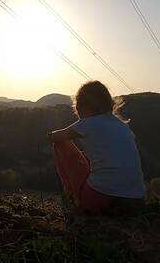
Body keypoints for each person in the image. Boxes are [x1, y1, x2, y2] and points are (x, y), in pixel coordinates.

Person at [48, 81, 145, 214]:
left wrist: (46, 134)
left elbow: (54, 137)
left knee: (60, 144)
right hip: (136, 199)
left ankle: (72, 198)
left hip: (99, 198)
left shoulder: (87, 123)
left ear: (81, 105)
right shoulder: (123, 126)